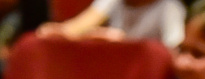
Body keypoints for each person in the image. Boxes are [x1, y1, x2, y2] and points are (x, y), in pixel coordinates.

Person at [37, 0, 185, 49]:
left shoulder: (169, 7)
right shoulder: (112, 1)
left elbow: (173, 51)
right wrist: (57, 31)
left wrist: (124, 42)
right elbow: (75, 29)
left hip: (146, 77)